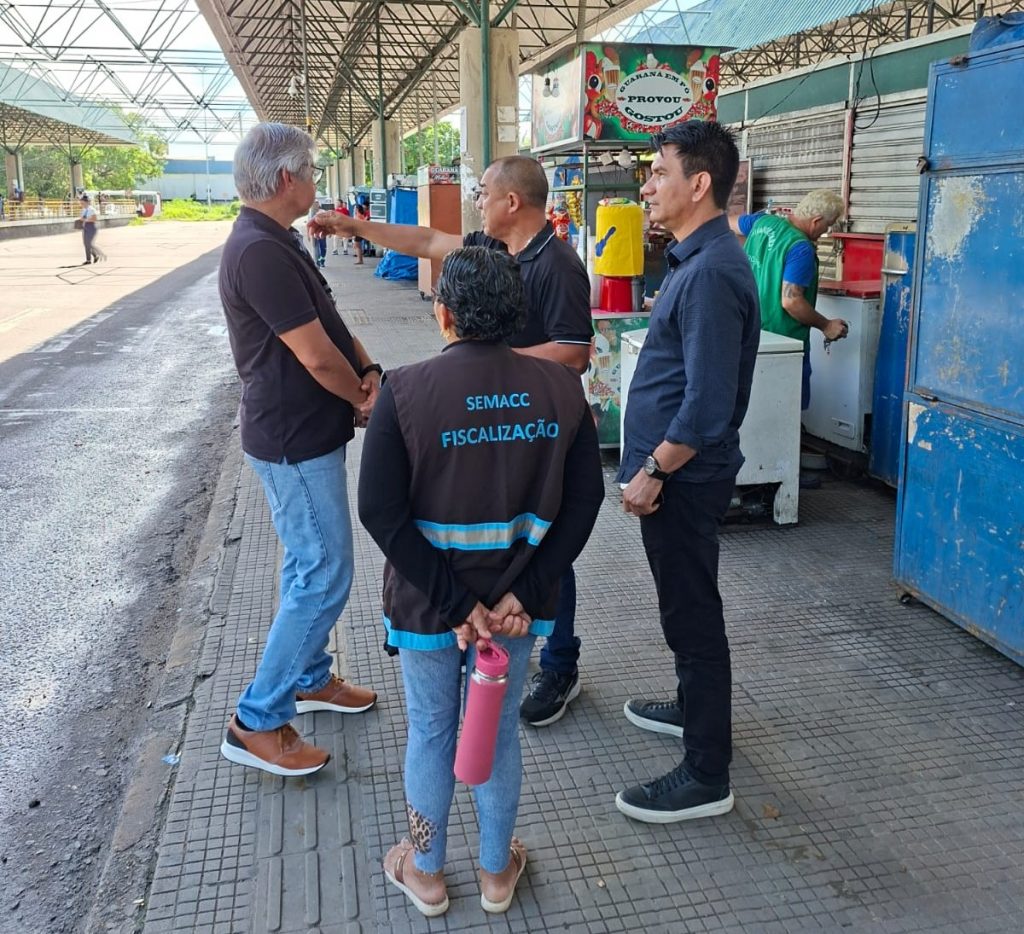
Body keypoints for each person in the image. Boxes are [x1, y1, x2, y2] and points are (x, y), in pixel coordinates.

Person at [358, 246, 603, 917]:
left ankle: (427, 872)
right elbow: (584, 503)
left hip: (428, 607)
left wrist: (456, 603)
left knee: (432, 732)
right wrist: (521, 593)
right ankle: (497, 872)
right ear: (516, 316)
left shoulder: (405, 391)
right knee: (496, 734)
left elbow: (379, 511)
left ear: (444, 315)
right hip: (517, 611)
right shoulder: (562, 391)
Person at [311, 155, 593, 729]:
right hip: (486, 419)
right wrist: (353, 226)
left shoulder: (557, 264)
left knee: (544, 541)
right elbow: (427, 240)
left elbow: (575, 351)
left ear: (512, 201)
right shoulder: (492, 250)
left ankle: (559, 663)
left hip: (531, 426)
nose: (476, 200)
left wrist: (488, 362)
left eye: (483, 191)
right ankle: (490, 619)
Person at [216, 122, 381, 777]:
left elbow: (331, 324)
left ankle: (309, 677)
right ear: (286, 179)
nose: (315, 181)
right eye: (311, 170)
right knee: (324, 571)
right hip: (292, 438)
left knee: (306, 566)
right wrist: (360, 398)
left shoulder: (279, 239)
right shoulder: (258, 250)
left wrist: (369, 371)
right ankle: (257, 718)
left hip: (306, 431)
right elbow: (314, 356)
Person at [616, 120, 760, 824]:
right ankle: (689, 707)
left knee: (693, 615)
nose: (647, 187)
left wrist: (652, 470)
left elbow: (705, 408)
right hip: (678, 476)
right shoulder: (694, 260)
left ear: (699, 184)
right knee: (683, 606)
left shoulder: (708, 273)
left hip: (683, 479)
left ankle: (707, 773)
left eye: (658, 173)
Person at [729, 190, 849, 409]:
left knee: (753, 409)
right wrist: (826, 325)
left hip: (746, 334)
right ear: (816, 221)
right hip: (784, 344)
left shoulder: (761, 222)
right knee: (786, 412)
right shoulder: (800, 248)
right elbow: (791, 301)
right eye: (828, 225)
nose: (826, 231)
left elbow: (728, 222)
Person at [79, 194, 105, 264]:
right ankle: (90, 259)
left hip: (92, 227)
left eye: (82, 203)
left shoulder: (91, 209)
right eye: (81, 203)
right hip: (85, 227)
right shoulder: (83, 210)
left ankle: (96, 255)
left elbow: (94, 219)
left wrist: (85, 219)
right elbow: (82, 218)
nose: (81, 204)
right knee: (86, 244)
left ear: (87, 202)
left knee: (89, 244)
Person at [307, 201, 328, 268]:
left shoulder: (322, 212)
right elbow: (308, 225)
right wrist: (308, 235)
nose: (315, 205)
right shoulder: (311, 213)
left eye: (316, 204)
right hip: (314, 234)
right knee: (316, 248)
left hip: (322, 233)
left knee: (323, 248)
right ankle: (317, 262)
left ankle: (322, 260)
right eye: (314, 204)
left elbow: (327, 221)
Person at [352, 197, 370, 264]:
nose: (364, 208)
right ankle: (360, 259)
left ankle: (360, 260)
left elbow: (362, 221)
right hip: (360, 230)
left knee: (357, 245)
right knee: (357, 245)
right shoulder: (361, 214)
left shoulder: (362, 214)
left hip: (360, 230)